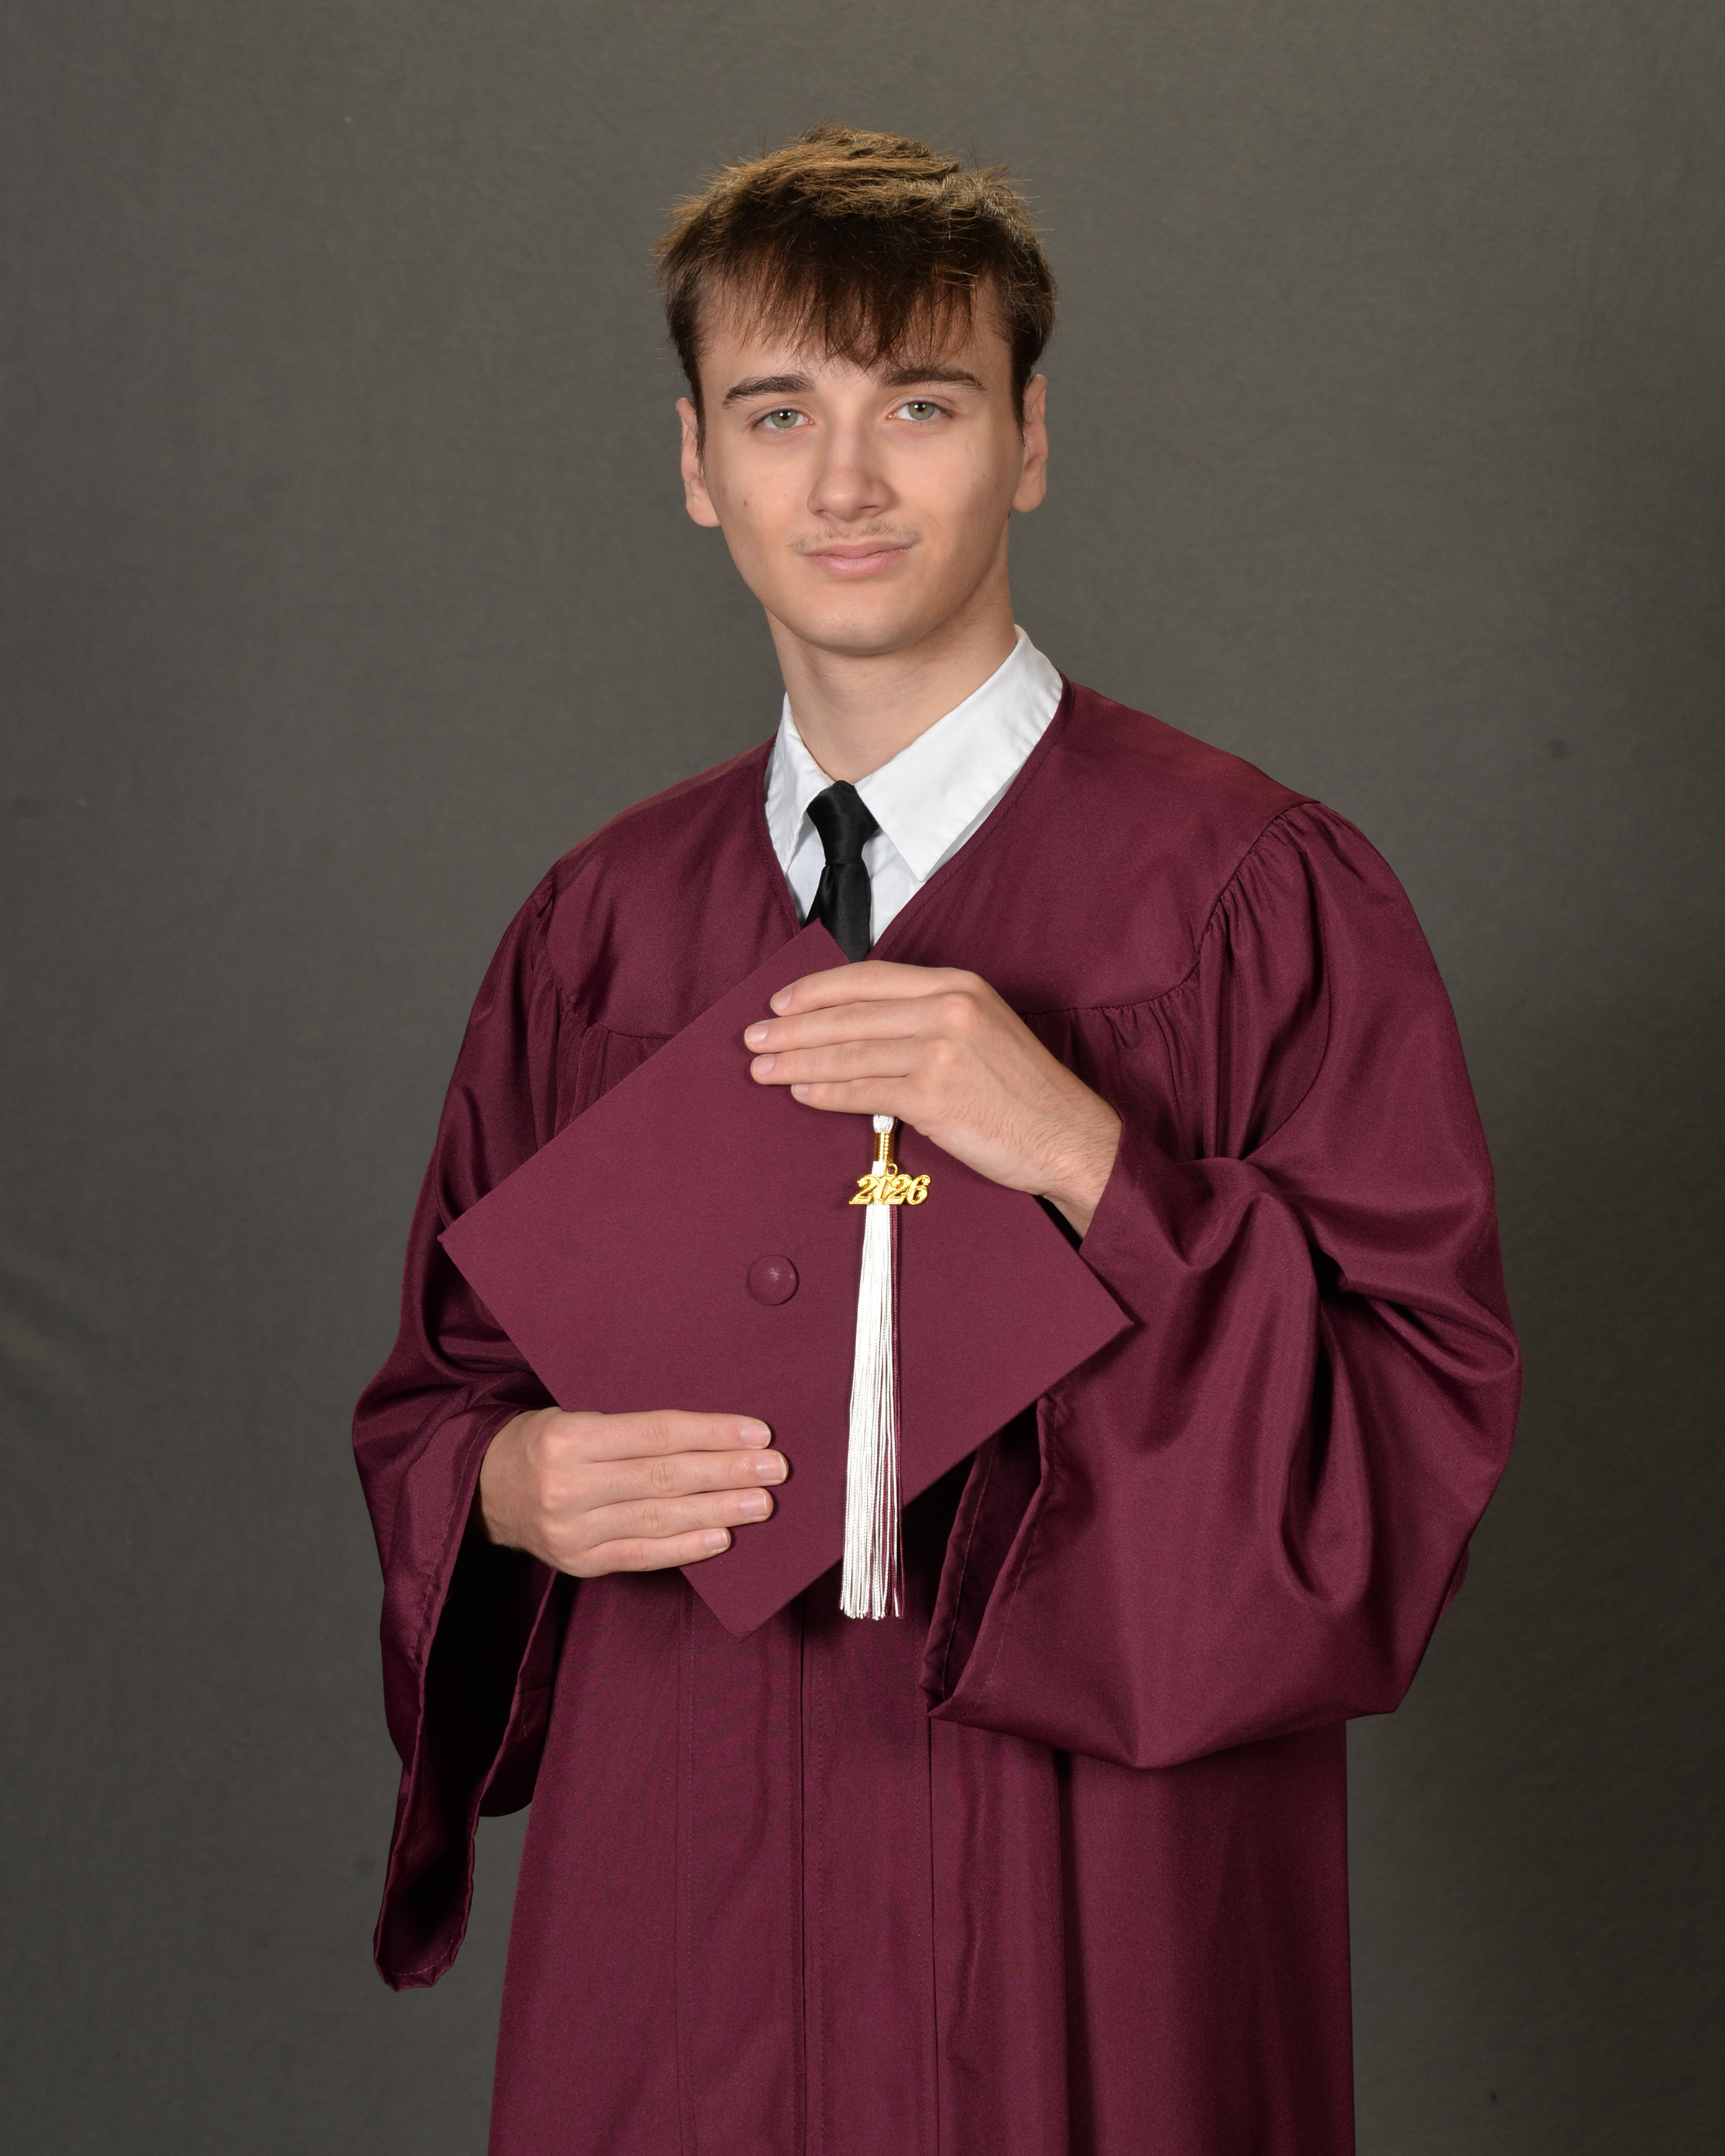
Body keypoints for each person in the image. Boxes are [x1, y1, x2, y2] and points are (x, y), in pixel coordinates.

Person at [354, 124, 1520, 2156]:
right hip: (688, 1907)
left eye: (921, 404)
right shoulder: (598, 936)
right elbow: (438, 1400)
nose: (848, 482)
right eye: (777, 413)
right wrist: (510, 1487)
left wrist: (1087, 1155)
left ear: (1030, 442)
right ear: (697, 463)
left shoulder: (1248, 899)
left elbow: (1408, 1424)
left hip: (1092, 1911)